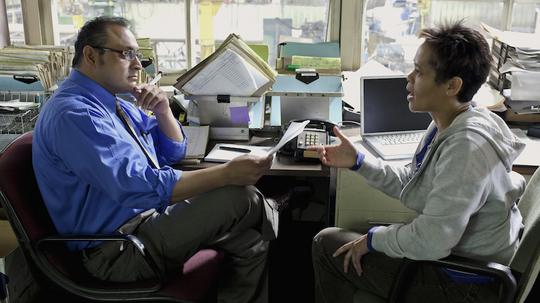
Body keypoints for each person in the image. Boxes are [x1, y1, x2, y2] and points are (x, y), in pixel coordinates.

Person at [32, 16, 279, 303]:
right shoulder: (75, 115)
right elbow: (143, 187)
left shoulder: (112, 103)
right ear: (90, 55)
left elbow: (173, 152)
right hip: (118, 250)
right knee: (241, 197)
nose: (138, 65)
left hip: (146, 223)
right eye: (126, 54)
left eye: (138, 55)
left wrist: (163, 111)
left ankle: (268, 213)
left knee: (251, 242)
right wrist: (226, 174)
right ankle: (272, 210)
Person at [310, 21, 525, 302]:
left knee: (326, 245)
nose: (408, 78)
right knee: (343, 244)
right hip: (454, 261)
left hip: (465, 284)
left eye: (419, 72)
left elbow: (432, 240)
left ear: (452, 85)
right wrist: (358, 162)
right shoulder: (449, 122)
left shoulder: (466, 147)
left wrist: (374, 239)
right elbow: (413, 183)